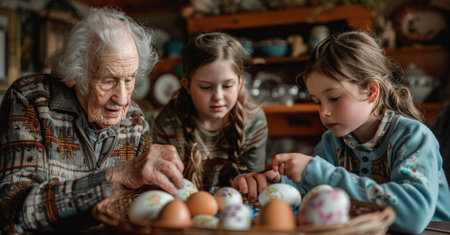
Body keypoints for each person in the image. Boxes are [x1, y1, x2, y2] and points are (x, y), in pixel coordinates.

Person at [232, 31, 450, 234]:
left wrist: (318, 171)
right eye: (317, 102)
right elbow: (314, 190)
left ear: (371, 91)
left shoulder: (412, 138)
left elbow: (414, 217)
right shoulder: (331, 143)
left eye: (334, 98)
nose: (324, 112)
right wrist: (276, 184)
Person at [0, 7, 184, 233]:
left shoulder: (134, 120)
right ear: (76, 74)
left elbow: (145, 205)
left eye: (130, 79)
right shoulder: (32, 101)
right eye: (109, 81)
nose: (123, 98)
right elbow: (11, 210)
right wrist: (114, 178)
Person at [152, 32, 268, 192]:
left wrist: (250, 181)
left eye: (227, 86)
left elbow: (254, 182)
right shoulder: (167, 123)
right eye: (206, 87)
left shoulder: (255, 121)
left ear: (240, 83)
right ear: (187, 86)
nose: (218, 97)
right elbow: (164, 184)